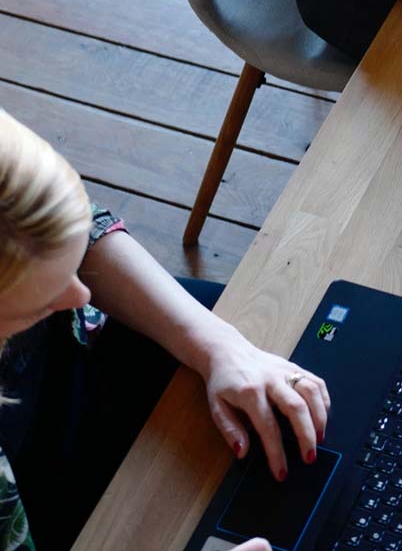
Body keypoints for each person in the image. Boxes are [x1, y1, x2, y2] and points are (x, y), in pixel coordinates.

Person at [0, 108, 328, 551]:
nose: (80, 295)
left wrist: (219, 347)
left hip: (87, 362)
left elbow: (81, 231)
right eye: (42, 296)